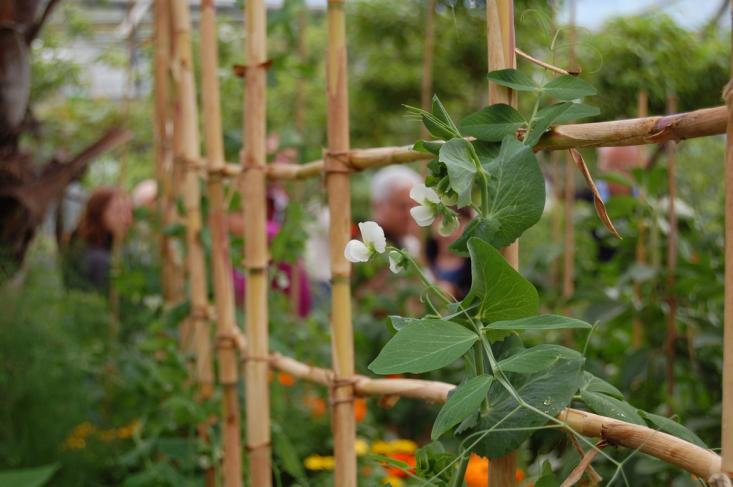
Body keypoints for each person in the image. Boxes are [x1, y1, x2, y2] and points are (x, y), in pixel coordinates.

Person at [62, 187, 132, 293]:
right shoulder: (96, 258)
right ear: (99, 213)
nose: (127, 219)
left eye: (129, 211)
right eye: (118, 211)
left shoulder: (115, 249)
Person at [370, 166, 423, 255]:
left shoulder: (410, 243)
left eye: (414, 205)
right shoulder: (372, 250)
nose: (410, 214)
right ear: (378, 206)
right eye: (402, 206)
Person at [425, 208, 472, 299]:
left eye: (459, 223)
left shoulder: (475, 262)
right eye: (443, 221)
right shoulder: (423, 253)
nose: (451, 234)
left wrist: (454, 292)